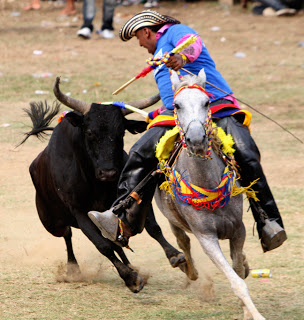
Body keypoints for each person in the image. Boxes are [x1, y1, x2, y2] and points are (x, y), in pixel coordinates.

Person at [88, 10, 287, 252]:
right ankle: (121, 220)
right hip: (176, 115)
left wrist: (182, 57)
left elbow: (194, 44)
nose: (141, 44)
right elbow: (172, 95)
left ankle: (268, 222)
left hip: (215, 106)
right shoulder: (158, 56)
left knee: (246, 153)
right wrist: (155, 113)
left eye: (139, 39)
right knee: (139, 153)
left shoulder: (176, 32)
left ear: (146, 31)